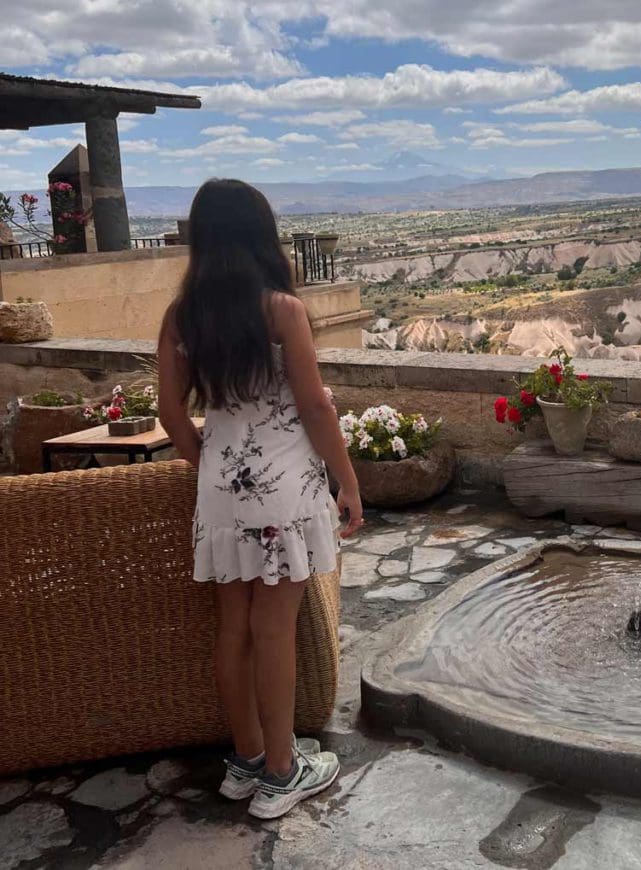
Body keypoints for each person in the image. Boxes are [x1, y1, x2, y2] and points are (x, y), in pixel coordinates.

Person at [157, 178, 363, 819]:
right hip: (285, 492)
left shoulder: (181, 317)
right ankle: (282, 772)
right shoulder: (281, 310)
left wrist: (211, 466)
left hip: (221, 494)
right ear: (259, 234)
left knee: (235, 628)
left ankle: (246, 760)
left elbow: (169, 412)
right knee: (274, 625)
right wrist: (348, 481)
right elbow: (315, 405)